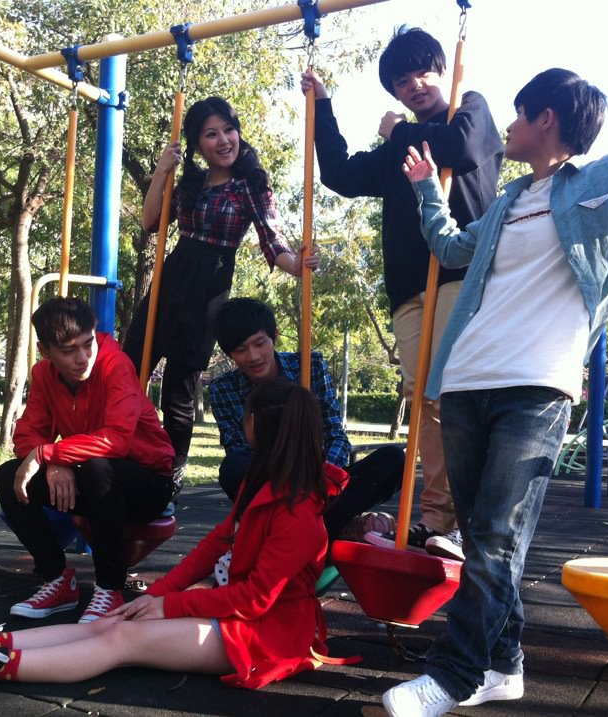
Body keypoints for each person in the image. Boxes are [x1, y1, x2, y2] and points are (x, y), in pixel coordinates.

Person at [382, 68, 608, 717]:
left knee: (498, 536)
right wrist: (425, 190)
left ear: (545, 119)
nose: (509, 126)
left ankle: (454, 674)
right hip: (466, 378)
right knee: (484, 538)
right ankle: (504, 664)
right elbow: (450, 246)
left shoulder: (607, 181)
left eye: (519, 113)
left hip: (537, 386)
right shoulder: (506, 203)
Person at [0, 379, 354, 691]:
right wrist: (156, 596)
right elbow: (215, 545)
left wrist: (169, 605)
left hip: (270, 635)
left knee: (123, 637)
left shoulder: (299, 513)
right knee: (114, 618)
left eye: (245, 416)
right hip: (240, 612)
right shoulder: (262, 481)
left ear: (257, 426)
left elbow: (254, 599)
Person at [300, 27, 505, 561]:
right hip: (409, 288)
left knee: (450, 391)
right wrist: (323, 107)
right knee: (423, 397)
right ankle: (439, 519)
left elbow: (459, 147)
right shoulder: (399, 150)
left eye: (422, 73)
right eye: (401, 81)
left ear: (441, 70)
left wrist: (399, 133)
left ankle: (463, 518)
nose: (414, 85)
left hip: (458, 272)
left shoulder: (471, 110)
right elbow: (341, 175)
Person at [122, 97, 318, 504]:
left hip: (209, 287)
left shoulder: (250, 186)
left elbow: (272, 240)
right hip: (172, 276)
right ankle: (122, 454)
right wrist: (162, 171)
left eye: (229, 130)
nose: (224, 140)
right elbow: (151, 221)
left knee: (178, 390)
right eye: (211, 134)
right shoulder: (190, 183)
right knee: (128, 369)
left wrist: (297, 266)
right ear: (198, 144)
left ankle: (169, 475)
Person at [0, 298, 175, 624]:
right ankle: (57, 578)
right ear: (45, 351)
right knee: (8, 476)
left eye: (88, 343)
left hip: (148, 484)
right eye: (68, 350)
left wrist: (49, 454)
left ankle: (110, 587)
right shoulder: (44, 375)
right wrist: (56, 463)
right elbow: (28, 435)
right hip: (92, 477)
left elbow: (116, 440)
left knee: (97, 467)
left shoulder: (115, 365)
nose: (82, 358)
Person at [209, 298, 405, 544]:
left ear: (275, 336)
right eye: (241, 350)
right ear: (229, 354)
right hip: (272, 485)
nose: (254, 356)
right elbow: (240, 450)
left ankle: (305, 525)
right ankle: (335, 525)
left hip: (322, 481)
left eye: (259, 343)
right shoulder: (223, 389)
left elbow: (335, 434)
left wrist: (318, 481)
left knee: (394, 460)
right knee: (233, 468)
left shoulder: (310, 366)